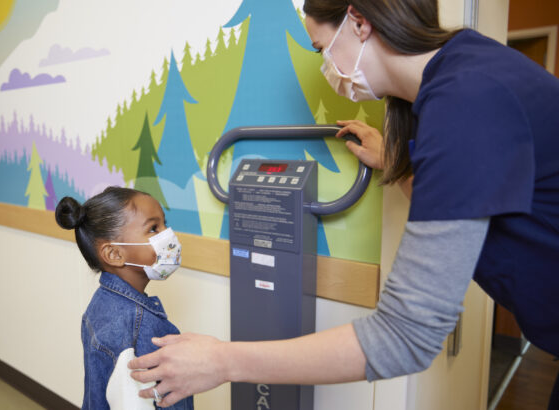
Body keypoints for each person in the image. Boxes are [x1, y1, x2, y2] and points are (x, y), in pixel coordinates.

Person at [128, 0, 559, 408]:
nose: (326, 67)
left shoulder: (468, 100)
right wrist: (398, 163)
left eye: (321, 48)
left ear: (358, 21)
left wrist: (223, 361)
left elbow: (403, 338)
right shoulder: (461, 76)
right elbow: (464, 193)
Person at [56, 187, 193, 409]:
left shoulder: (101, 304)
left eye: (164, 224)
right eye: (153, 228)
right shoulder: (136, 325)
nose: (168, 235)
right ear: (114, 254)